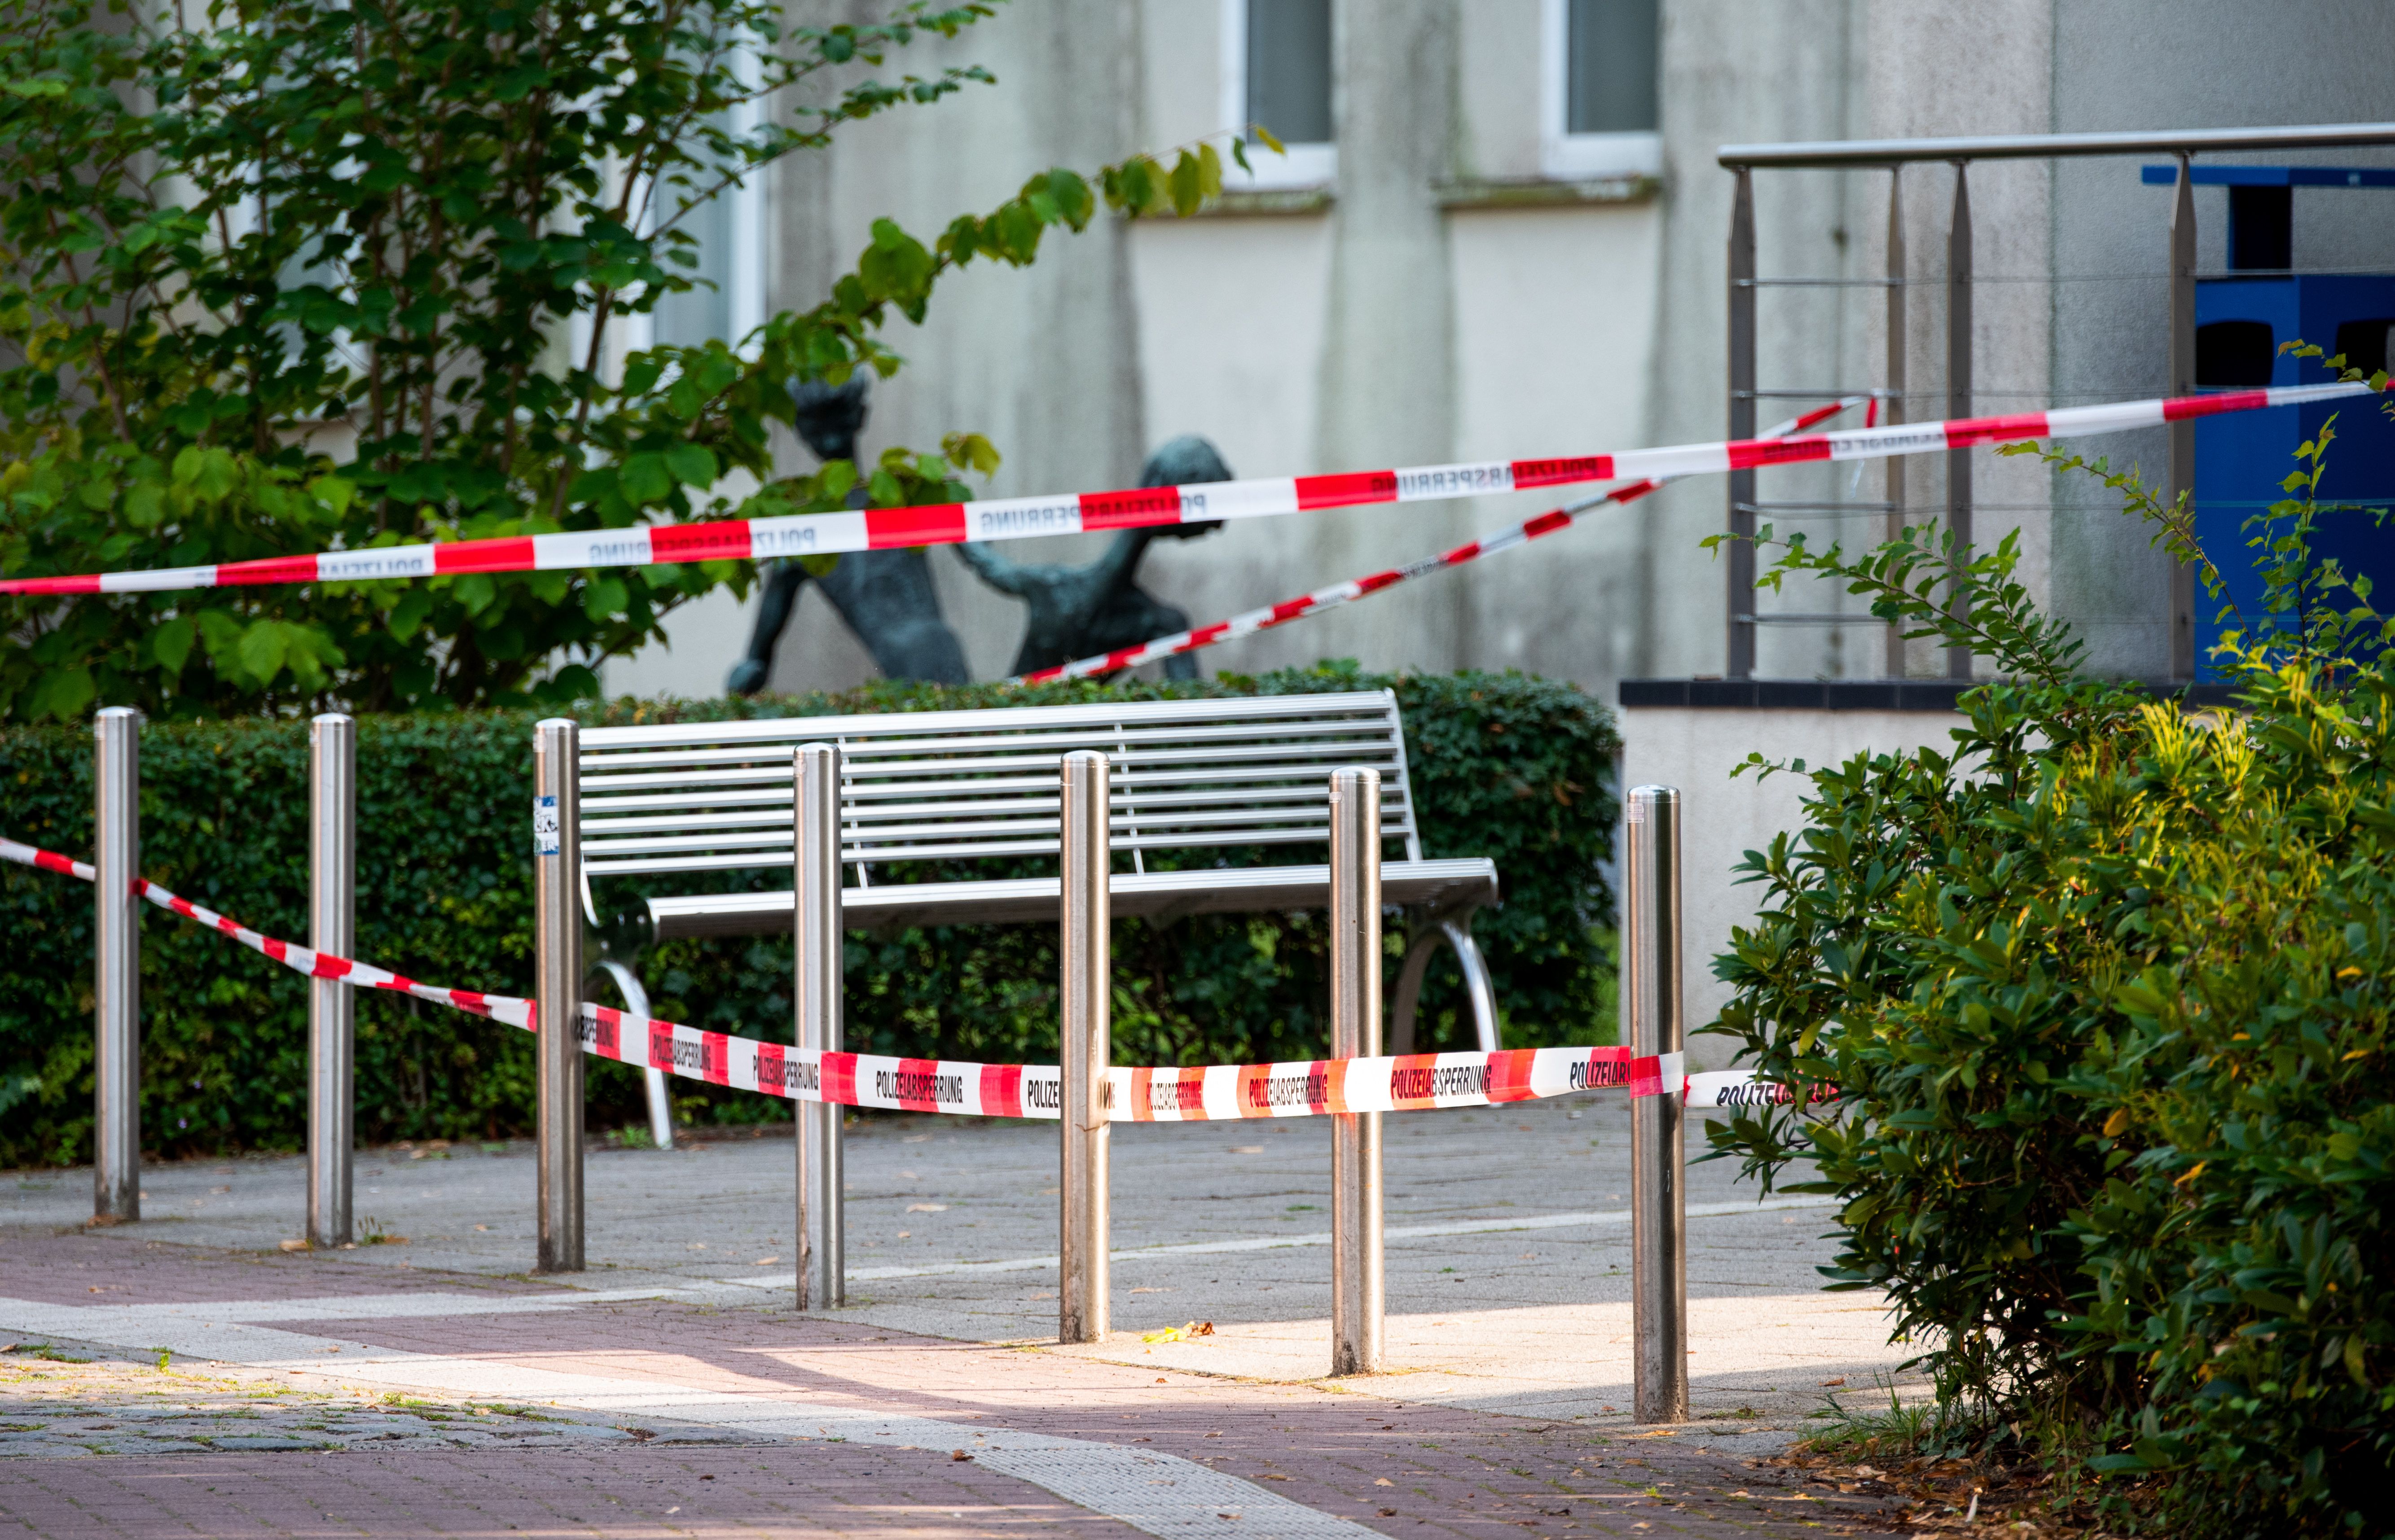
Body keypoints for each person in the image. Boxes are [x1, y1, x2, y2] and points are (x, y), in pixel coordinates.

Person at [725, 378, 971, 695]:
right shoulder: (804, 534)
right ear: (801, 432)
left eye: (836, 424)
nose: (828, 442)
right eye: (816, 428)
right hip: (915, 662)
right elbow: (754, 664)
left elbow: (754, 665)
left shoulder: (901, 496)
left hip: (932, 652)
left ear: (860, 417)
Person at [952, 434, 1229, 679]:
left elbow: (1187, 718)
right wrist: (950, 515)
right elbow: (988, 565)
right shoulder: (1052, 587)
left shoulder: (1158, 622)